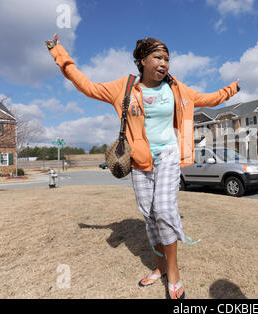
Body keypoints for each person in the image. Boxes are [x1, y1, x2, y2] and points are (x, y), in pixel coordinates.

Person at [45, 34, 240, 298]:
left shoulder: (177, 89)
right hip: (139, 161)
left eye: (167, 59)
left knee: (163, 209)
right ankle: (160, 267)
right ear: (141, 60)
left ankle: (174, 274)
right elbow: (86, 86)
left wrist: (231, 89)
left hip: (169, 155)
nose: (164, 64)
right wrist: (59, 53)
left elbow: (209, 99)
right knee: (150, 217)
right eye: (158, 58)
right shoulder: (124, 89)